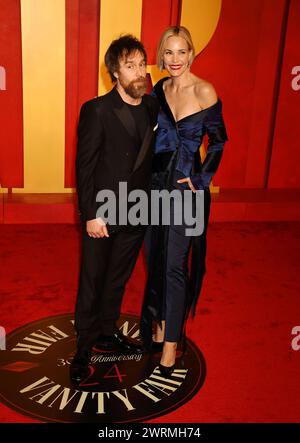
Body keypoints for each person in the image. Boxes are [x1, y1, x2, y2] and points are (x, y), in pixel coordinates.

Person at [70, 35, 159, 384]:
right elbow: (85, 166)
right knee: (92, 279)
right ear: (114, 73)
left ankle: (107, 331)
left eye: (141, 64)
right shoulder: (96, 110)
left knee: (118, 279)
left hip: (137, 211)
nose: (138, 72)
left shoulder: (151, 107)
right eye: (129, 65)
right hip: (103, 213)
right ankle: (83, 347)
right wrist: (90, 213)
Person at [140, 26, 228, 377]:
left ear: (191, 54)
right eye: (169, 52)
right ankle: (160, 323)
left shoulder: (204, 90)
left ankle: (172, 344)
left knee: (175, 265)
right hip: (155, 188)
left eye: (181, 52)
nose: (175, 59)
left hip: (186, 192)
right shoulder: (159, 89)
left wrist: (201, 178)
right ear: (161, 56)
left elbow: (219, 141)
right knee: (155, 258)